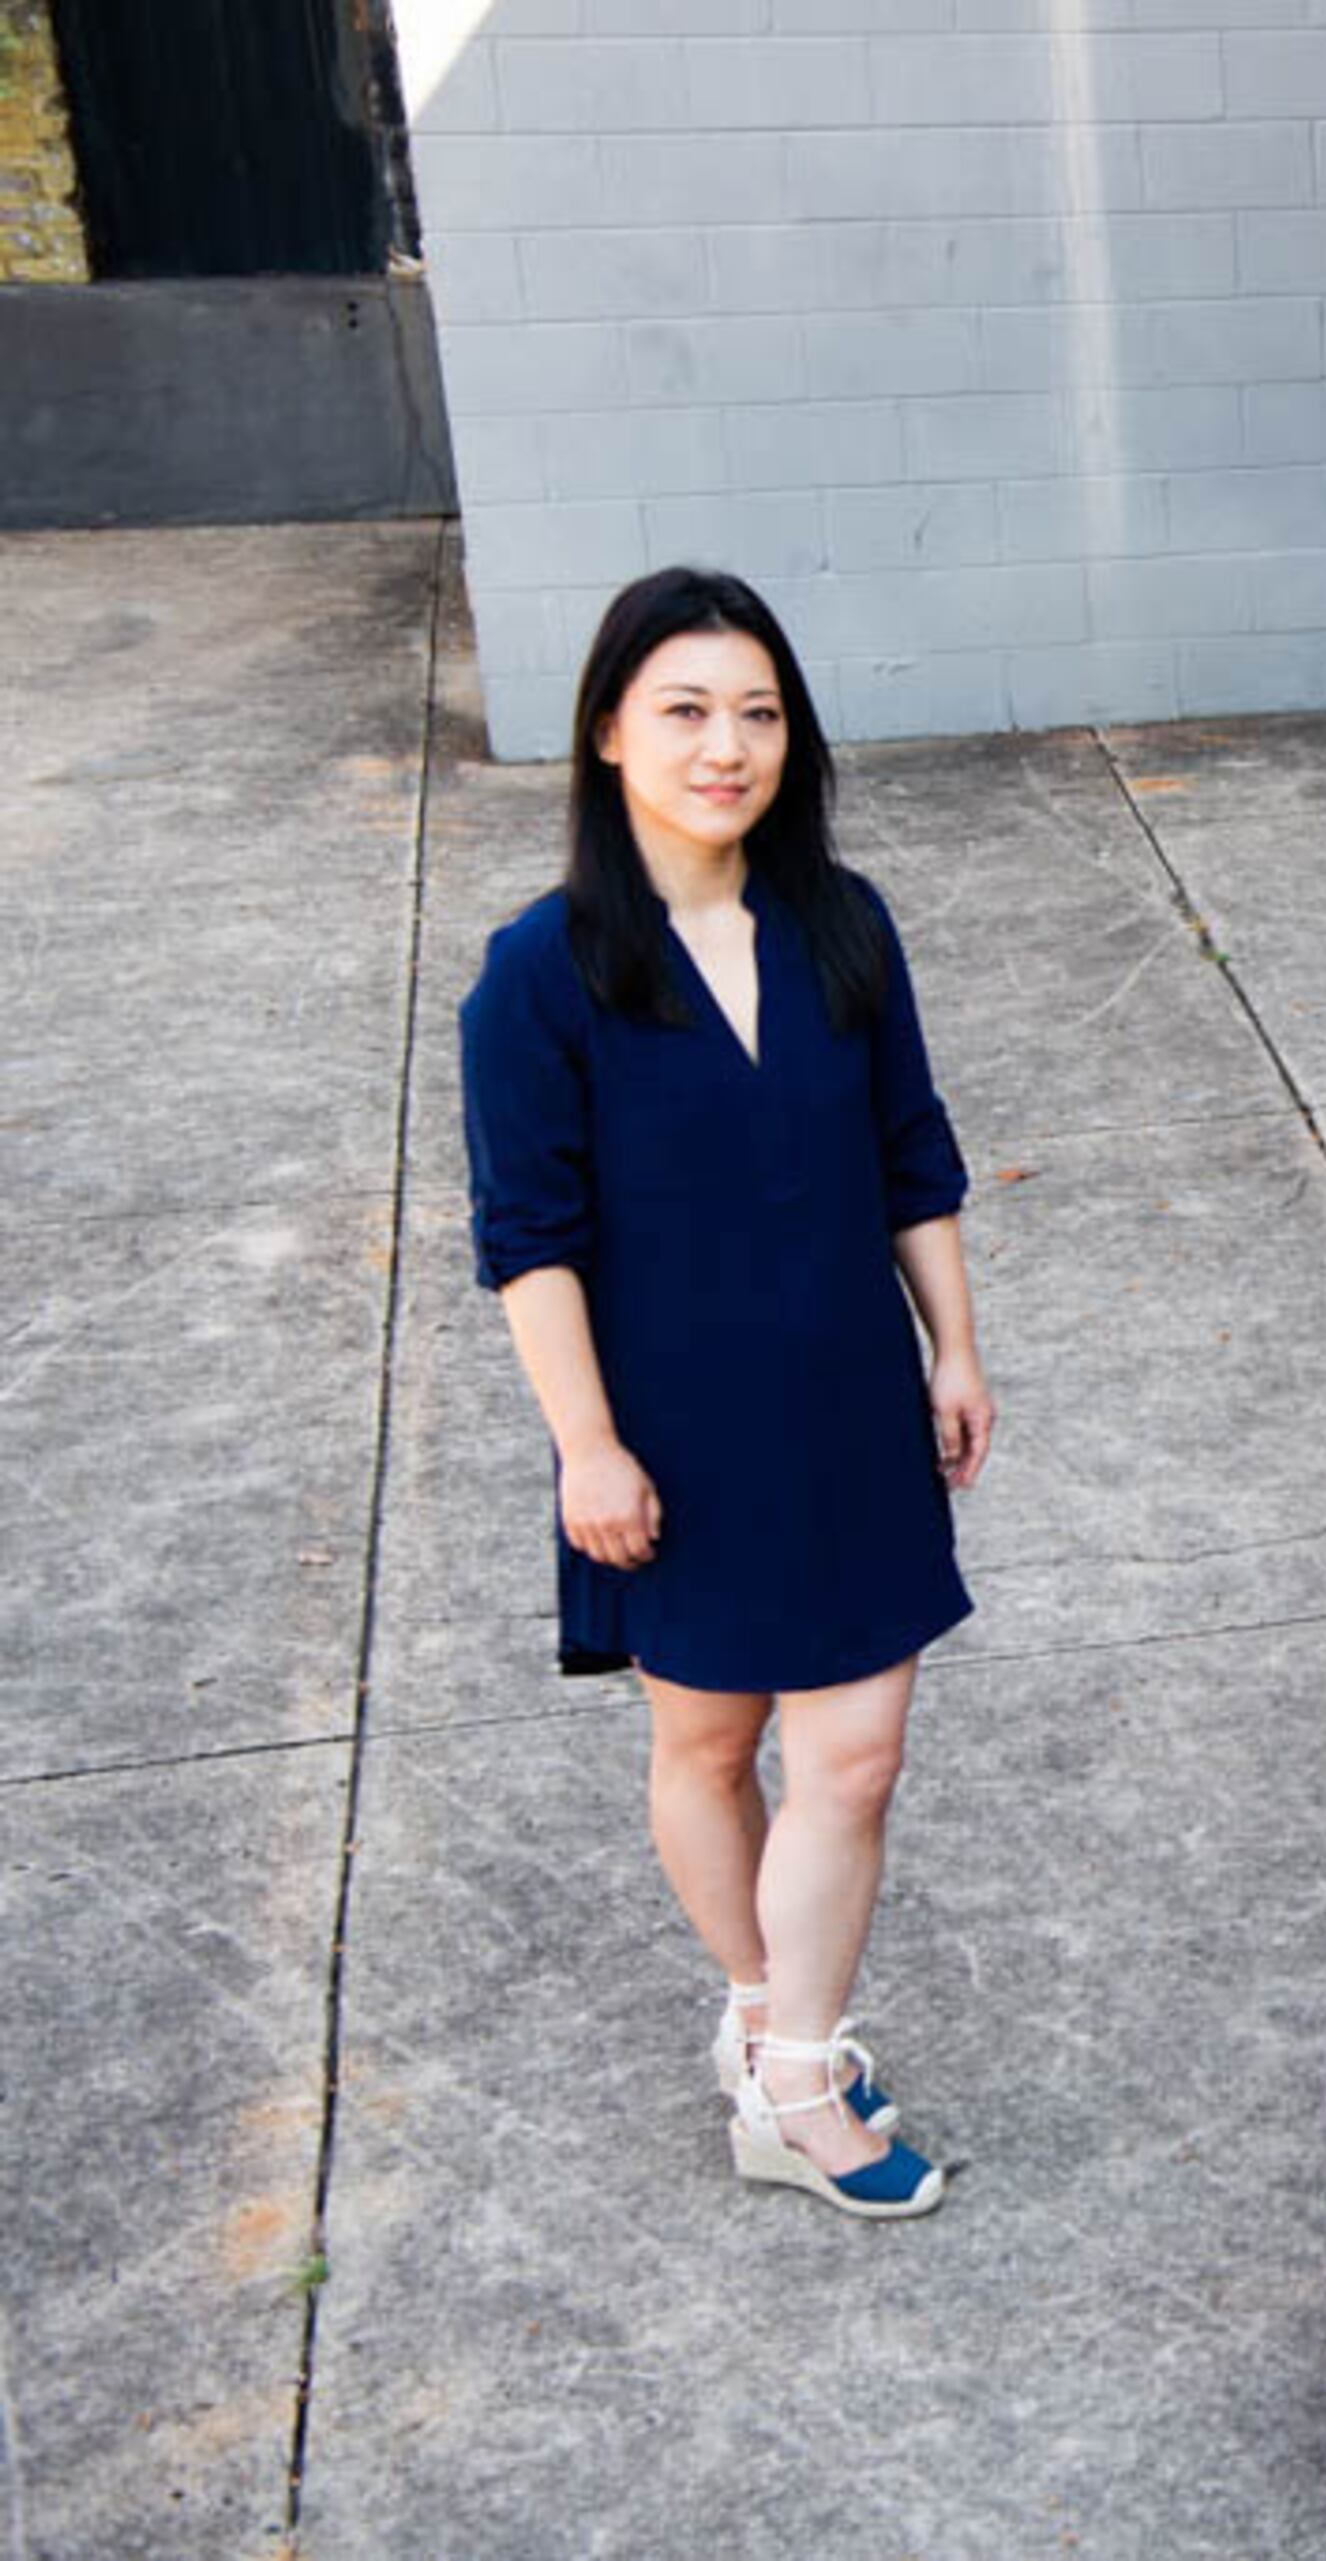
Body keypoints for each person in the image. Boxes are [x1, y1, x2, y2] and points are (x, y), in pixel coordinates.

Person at [458, 566, 995, 2218]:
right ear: (609, 733)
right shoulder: (537, 974)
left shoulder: (844, 923)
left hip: (847, 1400)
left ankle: (797, 2073)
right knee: (707, 1740)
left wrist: (955, 1344)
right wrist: (587, 1446)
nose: (726, 746)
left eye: (758, 713)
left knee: (856, 1756)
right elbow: (530, 1241)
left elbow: (911, 1151)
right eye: (685, 710)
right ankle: (771, 2019)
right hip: (671, 1433)